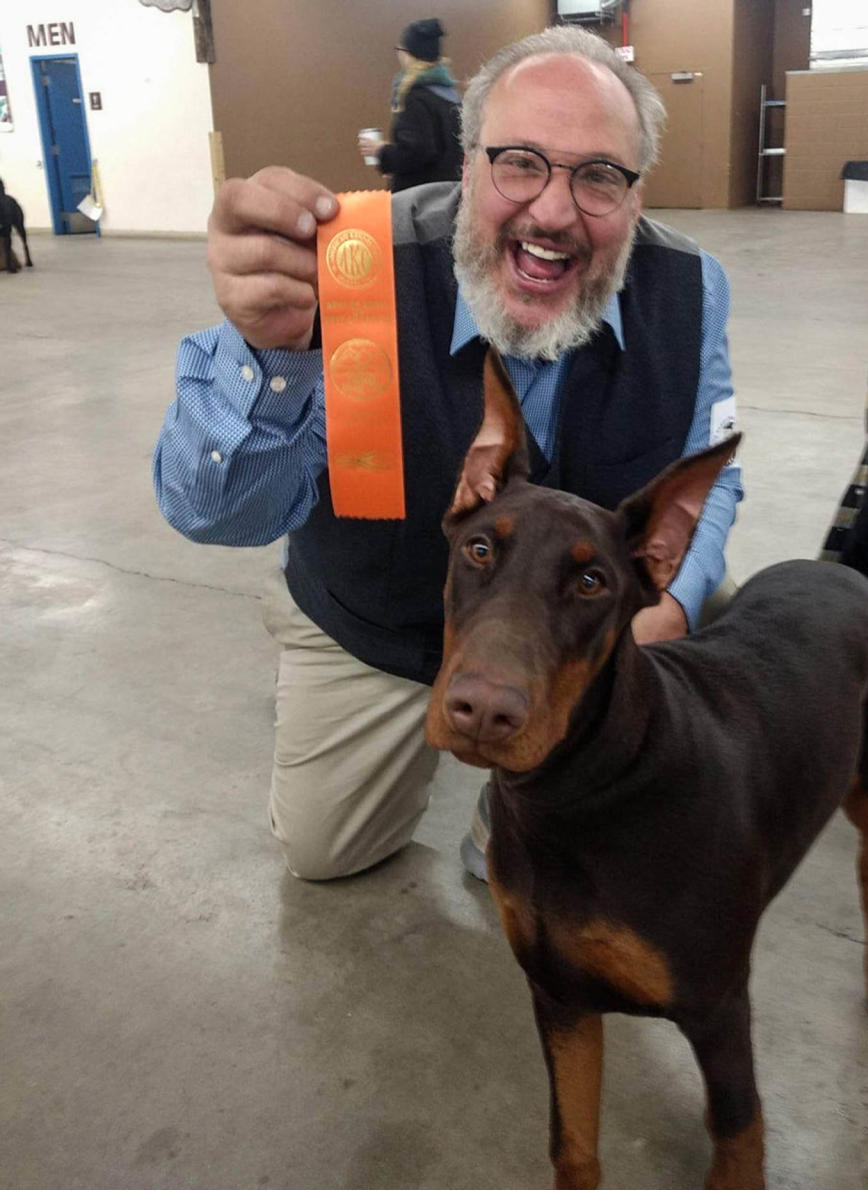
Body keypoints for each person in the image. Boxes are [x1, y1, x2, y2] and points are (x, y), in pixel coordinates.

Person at [153, 25, 743, 885]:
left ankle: (521, 792)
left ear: (636, 195)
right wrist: (272, 358)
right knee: (324, 855)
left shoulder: (693, 289)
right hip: (379, 620)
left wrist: (671, 609)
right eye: (519, 162)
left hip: (567, 632)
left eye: (599, 175)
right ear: (466, 166)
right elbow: (213, 516)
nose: (552, 211)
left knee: (712, 592)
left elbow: (711, 475)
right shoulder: (355, 266)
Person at [357, 18, 463, 193]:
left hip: (419, 201)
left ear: (408, 53)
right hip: (450, 194)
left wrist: (381, 152)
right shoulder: (453, 96)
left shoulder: (414, 98)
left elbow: (417, 152)